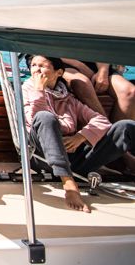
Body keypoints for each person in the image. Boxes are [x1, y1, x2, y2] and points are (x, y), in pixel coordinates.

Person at [23, 55, 135, 213]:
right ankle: (69, 184)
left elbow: (102, 121)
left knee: (126, 127)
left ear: (59, 72)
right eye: (34, 65)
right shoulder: (27, 91)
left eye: (42, 66)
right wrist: (39, 90)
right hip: (43, 157)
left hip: (74, 159)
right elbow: (36, 118)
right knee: (45, 117)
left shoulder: (68, 98)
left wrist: (80, 137)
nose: (36, 70)